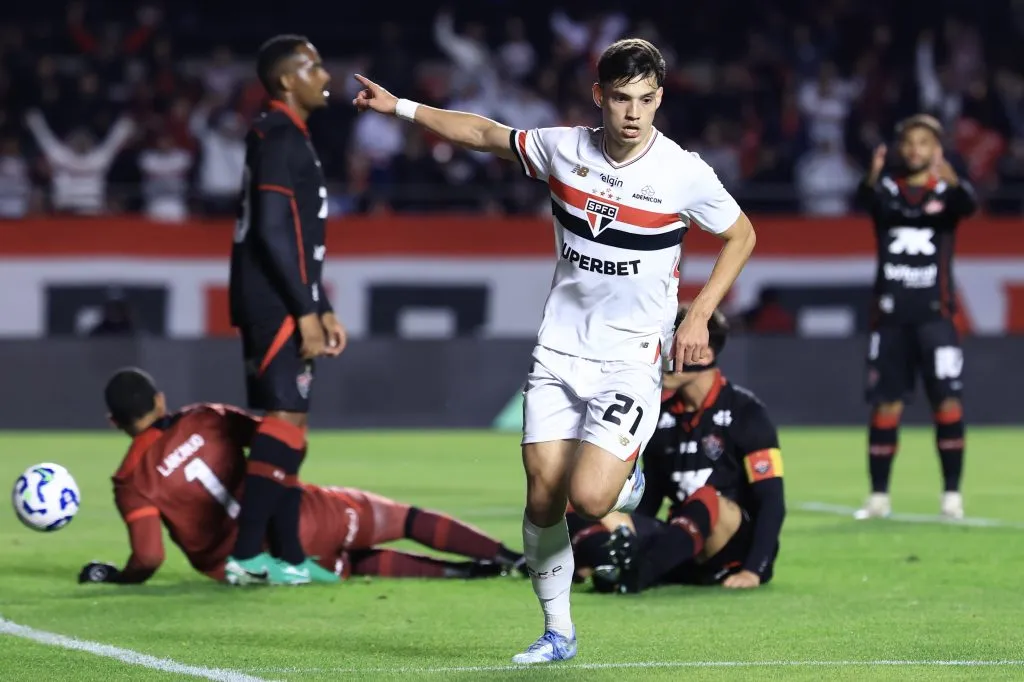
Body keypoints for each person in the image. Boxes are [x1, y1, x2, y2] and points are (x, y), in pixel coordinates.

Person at [353, 38, 756, 663]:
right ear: (600, 96)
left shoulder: (683, 172)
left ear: (658, 100)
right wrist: (402, 108)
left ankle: (627, 477)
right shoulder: (562, 147)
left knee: (592, 499)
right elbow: (485, 134)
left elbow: (741, 234)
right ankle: (557, 631)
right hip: (559, 352)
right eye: (621, 98)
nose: (632, 113)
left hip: (631, 358)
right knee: (543, 493)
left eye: (646, 100)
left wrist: (697, 316)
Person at [79, 368, 525, 586]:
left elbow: (150, 557)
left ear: (114, 422)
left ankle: (467, 574)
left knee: (354, 565)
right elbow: (278, 440)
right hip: (303, 518)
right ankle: (509, 558)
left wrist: (121, 578)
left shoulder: (130, 478)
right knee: (403, 520)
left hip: (243, 569)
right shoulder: (204, 417)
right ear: (159, 400)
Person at [227, 35, 346, 585]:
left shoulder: (287, 136)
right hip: (274, 301)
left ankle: (290, 556)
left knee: (291, 421)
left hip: (288, 298)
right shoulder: (277, 137)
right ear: (285, 81)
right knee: (282, 418)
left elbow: (297, 237)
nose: (325, 74)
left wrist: (319, 305)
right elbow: (274, 232)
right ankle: (246, 554)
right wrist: (303, 308)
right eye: (313, 66)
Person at [568, 305, 786, 592]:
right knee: (581, 507)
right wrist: (619, 527)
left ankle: (635, 574)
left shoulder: (747, 412)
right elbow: (652, 498)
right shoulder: (660, 416)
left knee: (707, 498)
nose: (663, 356)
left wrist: (754, 570)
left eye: (673, 345)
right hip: (680, 539)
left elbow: (771, 503)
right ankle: (606, 562)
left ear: (704, 353)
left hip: (731, 545)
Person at [855, 114, 977, 521]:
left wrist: (952, 176)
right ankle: (878, 497)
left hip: (936, 318)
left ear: (936, 149)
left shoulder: (947, 191)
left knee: (947, 403)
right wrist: (873, 174)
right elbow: (864, 200)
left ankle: (952, 496)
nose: (916, 151)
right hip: (890, 319)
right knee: (886, 406)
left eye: (924, 143)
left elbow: (969, 206)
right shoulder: (886, 190)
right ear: (899, 147)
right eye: (910, 143)